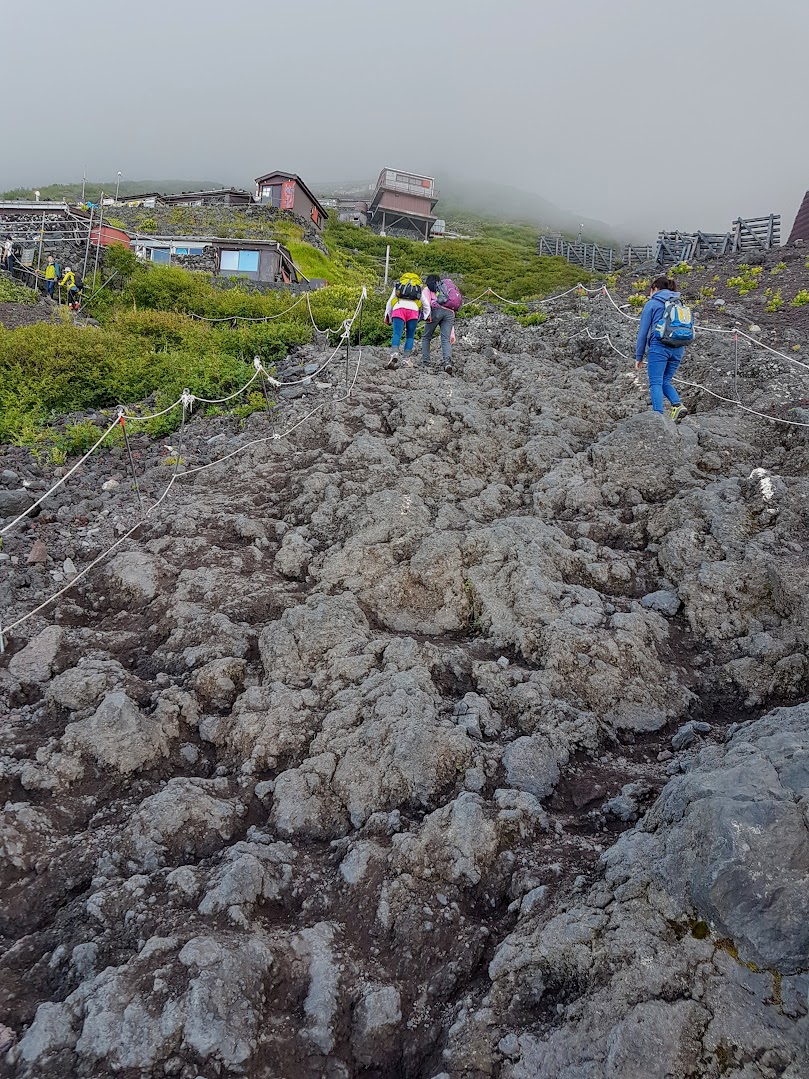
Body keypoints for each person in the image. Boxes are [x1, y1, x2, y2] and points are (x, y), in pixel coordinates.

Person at [635, 275, 689, 422]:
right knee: (665, 381)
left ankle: (657, 417)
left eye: (650, 290)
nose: (649, 294)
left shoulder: (652, 304)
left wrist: (639, 356)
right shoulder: (679, 302)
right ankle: (677, 405)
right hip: (679, 347)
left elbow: (643, 333)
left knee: (656, 382)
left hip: (659, 347)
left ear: (655, 289)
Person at [385, 272, 428, 368]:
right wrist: (425, 316)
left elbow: (390, 301)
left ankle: (394, 354)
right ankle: (406, 359)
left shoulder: (399, 286)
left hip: (398, 308)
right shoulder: (418, 288)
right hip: (413, 311)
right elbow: (426, 304)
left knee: (397, 334)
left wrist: (387, 315)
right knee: (410, 336)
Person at [421, 274, 456, 374]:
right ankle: (447, 363)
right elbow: (450, 306)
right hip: (450, 313)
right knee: (445, 339)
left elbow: (426, 304)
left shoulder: (427, 290)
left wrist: (426, 317)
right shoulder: (445, 289)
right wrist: (452, 333)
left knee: (426, 337)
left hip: (436, 311)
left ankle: (426, 363)